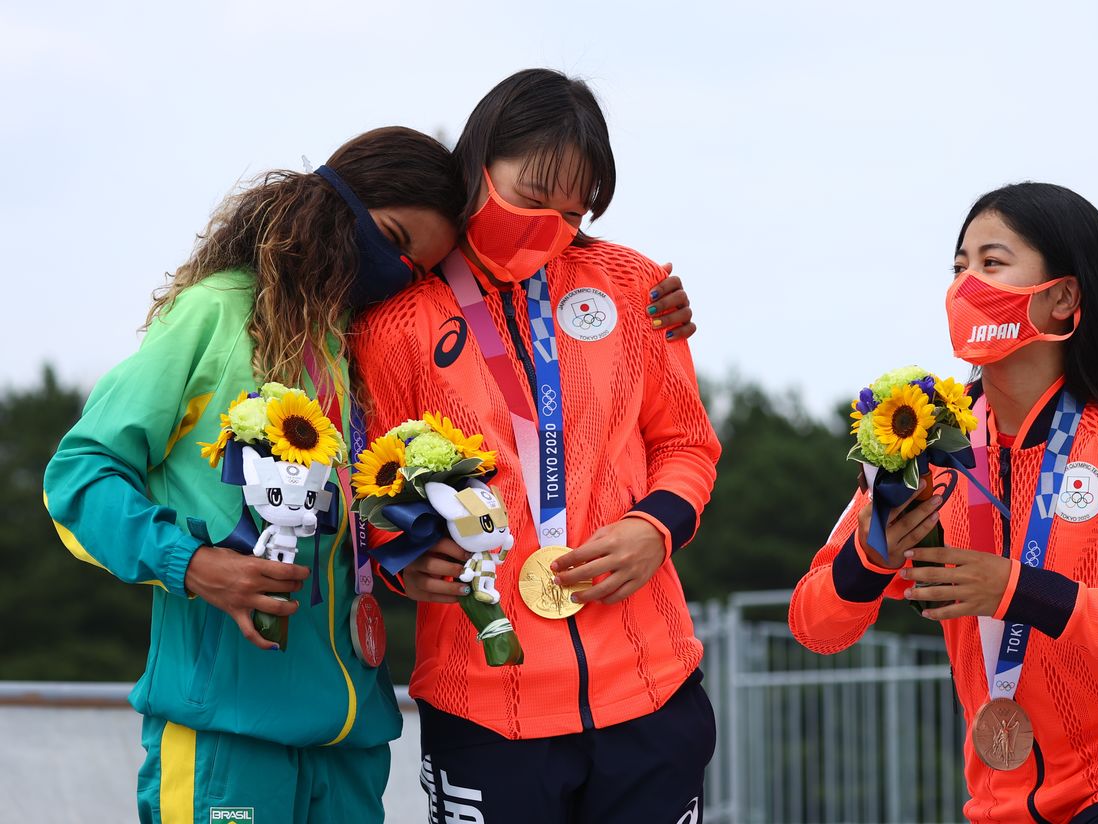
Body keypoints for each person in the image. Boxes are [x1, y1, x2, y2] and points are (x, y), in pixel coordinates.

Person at [43, 123, 696, 823]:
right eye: (390, 240)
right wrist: (192, 563)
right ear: (330, 205)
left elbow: (385, 514)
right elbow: (79, 476)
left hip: (354, 740)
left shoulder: (368, 337)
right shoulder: (214, 312)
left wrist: (404, 563)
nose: (396, 272)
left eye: (417, 269)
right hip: (224, 728)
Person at [789, 182, 1098, 824]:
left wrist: (1019, 591)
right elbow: (813, 626)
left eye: (991, 262)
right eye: (958, 267)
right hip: (1004, 801)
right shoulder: (923, 440)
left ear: (1063, 298)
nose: (965, 286)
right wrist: (872, 558)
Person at [353, 68, 720, 824]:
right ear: (478, 160)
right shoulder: (393, 325)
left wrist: (656, 529)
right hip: (487, 708)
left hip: (650, 693)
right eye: (529, 195)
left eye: (571, 208)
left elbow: (687, 442)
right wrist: (402, 560)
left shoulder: (632, 287)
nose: (546, 224)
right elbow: (372, 497)